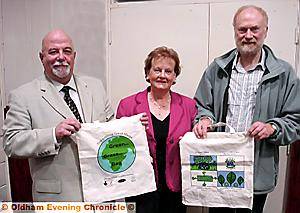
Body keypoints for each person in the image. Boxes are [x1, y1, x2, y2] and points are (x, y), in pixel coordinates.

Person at [193, 5, 300, 213]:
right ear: (235, 31)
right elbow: (202, 105)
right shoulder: (217, 68)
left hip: (256, 169)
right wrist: (204, 119)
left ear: (265, 31)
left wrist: (273, 128)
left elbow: (295, 119)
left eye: (254, 29)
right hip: (219, 164)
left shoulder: (284, 73)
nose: (248, 35)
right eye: (242, 30)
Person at [2, 29, 114, 201]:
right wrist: (53, 134)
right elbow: (11, 142)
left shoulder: (96, 87)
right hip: (58, 198)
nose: (61, 57)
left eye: (66, 51)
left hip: (102, 193)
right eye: (53, 51)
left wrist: (134, 135)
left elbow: (111, 129)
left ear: (74, 56)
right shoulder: (22, 96)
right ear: (42, 57)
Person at [116, 46, 197, 213]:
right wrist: (132, 130)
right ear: (147, 73)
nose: (162, 75)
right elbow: (117, 146)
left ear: (175, 77)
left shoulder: (189, 106)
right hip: (139, 187)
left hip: (176, 186)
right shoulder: (128, 105)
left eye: (168, 71)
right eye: (157, 70)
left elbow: (198, 143)